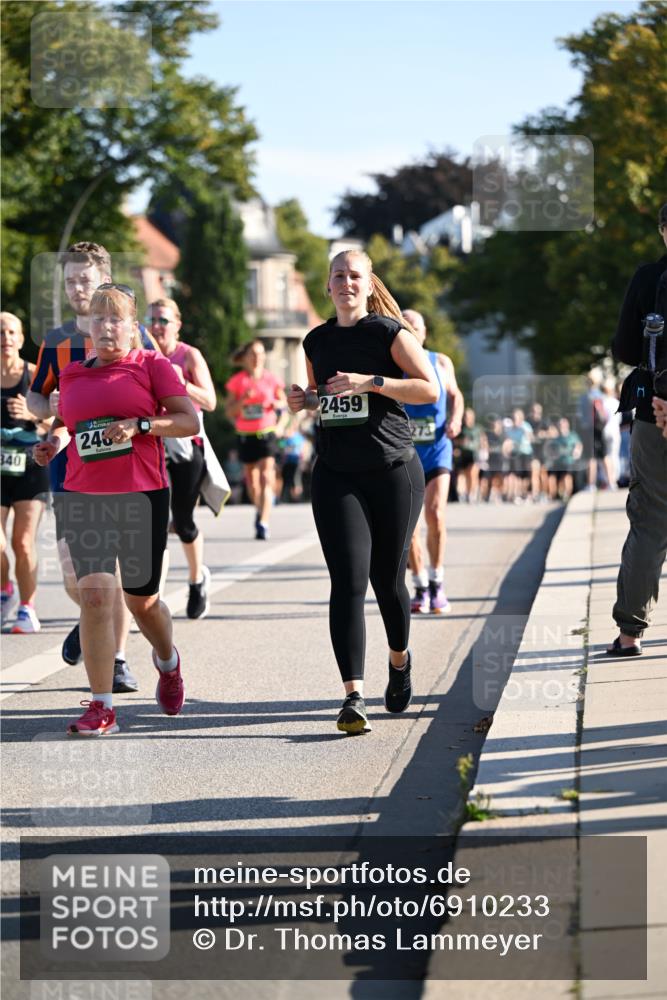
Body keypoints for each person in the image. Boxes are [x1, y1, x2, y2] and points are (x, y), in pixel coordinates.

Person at [34, 284, 198, 735]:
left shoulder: (151, 365)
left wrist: (141, 424)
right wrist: (52, 444)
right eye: (98, 319)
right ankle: (102, 705)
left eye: (116, 319)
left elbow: (188, 420)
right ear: (88, 326)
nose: (106, 327)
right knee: (94, 595)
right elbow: (69, 427)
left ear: (132, 327)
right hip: (82, 495)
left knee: (141, 602)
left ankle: (168, 661)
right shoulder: (71, 374)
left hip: (141, 494)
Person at [287, 249, 438, 734]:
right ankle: (352, 696)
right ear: (327, 286)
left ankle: (399, 660)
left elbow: (428, 389)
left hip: (393, 468)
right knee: (347, 581)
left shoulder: (390, 334)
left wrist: (371, 383)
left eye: (355, 275)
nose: (346, 282)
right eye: (338, 275)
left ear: (369, 283)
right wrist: (304, 400)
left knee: (388, 581)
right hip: (336, 472)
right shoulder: (316, 339)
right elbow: (322, 396)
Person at [27, 242, 156, 691]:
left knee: (113, 570)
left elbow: (159, 390)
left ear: (104, 278)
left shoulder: (133, 334)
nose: (77, 289)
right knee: (73, 574)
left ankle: (116, 658)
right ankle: (93, 618)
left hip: (128, 471)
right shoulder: (56, 340)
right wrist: (50, 406)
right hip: (70, 467)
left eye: (84, 280)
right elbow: (36, 397)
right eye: (69, 282)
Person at [607, 202, 667, 656]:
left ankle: (630, 632)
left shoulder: (649, 278)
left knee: (649, 520)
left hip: (654, 411)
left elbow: (627, 346)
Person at [148, 298, 217, 619]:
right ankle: (151, 602)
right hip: (151, 444)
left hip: (186, 445)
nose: (157, 326)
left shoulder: (188, 355)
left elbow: (211, 401)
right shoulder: (142, 353)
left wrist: (181, 382)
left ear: (177, 324)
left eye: (163, 320)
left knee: (183, 521)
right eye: (153, 320)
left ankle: (196, 579)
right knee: (155, 524)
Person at [402, 309, 463, 615]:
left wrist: (456, 418)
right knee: (410, 523)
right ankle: (420, 585)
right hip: (405, 451)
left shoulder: (440, 361)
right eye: (405, 327)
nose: (411, 331)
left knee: (436, 512)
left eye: (415, 327)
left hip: (437, 447)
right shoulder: (393, 365)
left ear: (424, 332)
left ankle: (438, 582)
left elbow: (455, 395)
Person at [1, 312, 51, 632]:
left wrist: (32, 417)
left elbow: (55, 422)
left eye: (11, 332)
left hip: (31, 467)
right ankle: (5, 588)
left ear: (20, 339)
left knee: (22, 542)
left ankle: (27, 608)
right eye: (0, 332)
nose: (5, 337)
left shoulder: (33, 375)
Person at [225, 339, 287, 540]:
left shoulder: (272, 379)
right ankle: (260, 510)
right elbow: (229, 412)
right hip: (245, 435)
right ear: (245, 358)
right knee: (252, 483)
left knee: (266, 476)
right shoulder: (238, 381)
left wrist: (279, 424)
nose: (257, 358)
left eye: (261, 354)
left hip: (266, 433)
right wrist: (243, 400)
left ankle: (264, 522)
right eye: (253, 354)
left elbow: (283, 405)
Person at [455, 408, 482, 502]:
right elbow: (455, 441)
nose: (466, 418)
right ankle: (463, 493)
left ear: (473, 417)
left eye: (468, 416)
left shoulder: (477, 429)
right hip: (463, 454)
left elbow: (482, 441)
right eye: (465, 416)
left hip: (474, 454)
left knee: (472, 474)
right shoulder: (461, 429)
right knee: (462, 475)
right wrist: (459, 444)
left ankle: (472, 494)